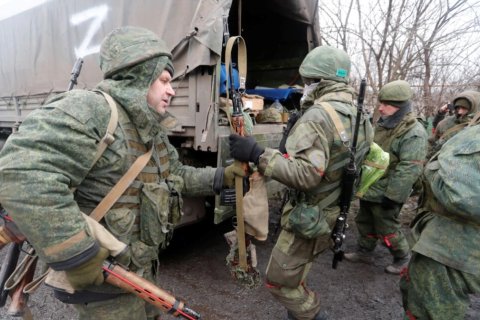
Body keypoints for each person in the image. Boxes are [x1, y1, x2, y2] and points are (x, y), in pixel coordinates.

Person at [0, 26, 243, 320]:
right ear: (140, 78)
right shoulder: (92, 109)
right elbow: (20, 174)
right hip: (103, 282)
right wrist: (77, 254)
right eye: (164, 80)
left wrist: (221, 177)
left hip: (139, 272)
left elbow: (174, 175)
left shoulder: (150, 128)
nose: (171, 89)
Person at [229, 45, 373, 320]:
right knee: (297, 271)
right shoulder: (358, 114)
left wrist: (257, 154)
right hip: (332, 211)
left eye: (308, 81)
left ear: (320, 82)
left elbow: (307, 175)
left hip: (311, 214)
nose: (304, 87)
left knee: (280, 281)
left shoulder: (319, 116)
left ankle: (312, 315)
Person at [343, 80, 428, 275]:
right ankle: (365, 251)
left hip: (388, 189)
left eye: (386, 104)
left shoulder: (414, 133)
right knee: (364, 220)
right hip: (371, 185)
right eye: (380, 103)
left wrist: (393, 196)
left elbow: (409, 168)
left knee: (387, 226)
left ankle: (402, 256)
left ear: (400, 107)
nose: (380, 108)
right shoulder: (385, 125)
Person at [400, 117, 480, 320]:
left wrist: (434, 168)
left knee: (431, 309)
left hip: (454, 246)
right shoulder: (460, 127)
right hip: (449, 239)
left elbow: (462, 198)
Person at [427, 90, 480, 158]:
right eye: (458, 107)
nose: (460, 112)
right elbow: (431, 143)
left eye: (464, 108)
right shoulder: (447, 122)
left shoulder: (477, 127)